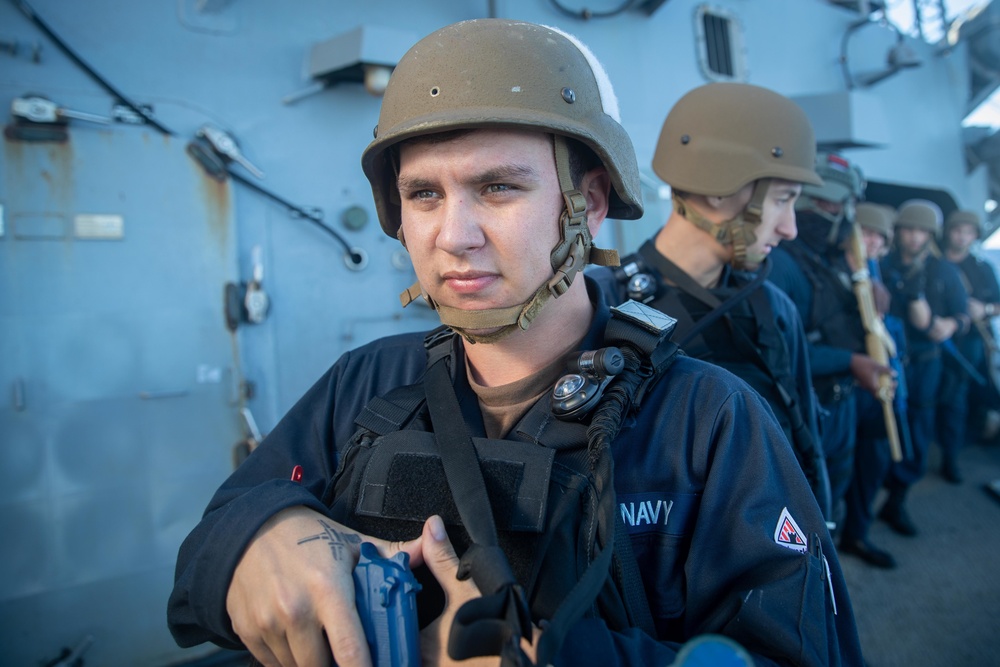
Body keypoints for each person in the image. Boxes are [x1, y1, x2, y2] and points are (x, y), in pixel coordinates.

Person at [168, 19, 862, 667]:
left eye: (497, 187)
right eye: (423, 195)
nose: (452, 235)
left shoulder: (706, 422)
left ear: (586, 205)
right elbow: (212, 542)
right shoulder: (367, 383)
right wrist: (256, 539)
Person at [590, 82, 830, 518]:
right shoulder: (603, 305)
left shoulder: (775, 309)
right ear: (718, 186)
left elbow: (804, 436)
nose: (790, 228)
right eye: (782, 200)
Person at [769, 153, 894, 540]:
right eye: (826, 204)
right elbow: (782, 355)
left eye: (841, 206)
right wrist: (851, 360)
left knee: (835, 492)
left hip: (843, 405)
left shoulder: (834, 259)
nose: (836, 214)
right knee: (808, 510)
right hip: (810, 408)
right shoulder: (781, 265)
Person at [879, 200, 969, 535]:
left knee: (916, 431)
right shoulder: (882, 264)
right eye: (909, 229)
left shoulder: (943, 271)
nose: (915, 237)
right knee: (876, 432)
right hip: (884, 360)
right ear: (898, 230)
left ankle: (896, 501)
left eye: (922, 231)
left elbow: (962, 315)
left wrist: (951, 325)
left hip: (923, 365)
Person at [840, 202, 904, 568]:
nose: (872, 241)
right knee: (838, 467)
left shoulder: (878, 272)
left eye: (879, 236)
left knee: (874, 460)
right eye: (865, 232)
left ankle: (858, 534)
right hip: (843, 386)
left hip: (875, 386)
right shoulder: (831, 269)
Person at [940, 209, 1000, 464]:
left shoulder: (981, 269)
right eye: (958, 231)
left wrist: (984, 309)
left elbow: (997, 305)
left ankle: (950, 457)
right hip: (936, 339)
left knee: (957, 397)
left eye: (968, 233)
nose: (962, 237)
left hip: (969, 342)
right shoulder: (934, 261)